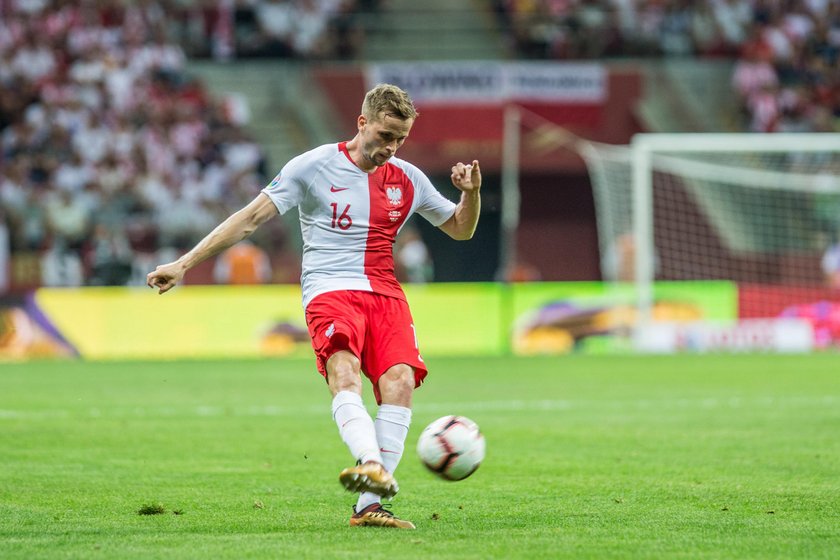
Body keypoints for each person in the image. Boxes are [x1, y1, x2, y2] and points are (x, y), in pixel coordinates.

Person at [146, 84, 481, 529]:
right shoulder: (313, 166)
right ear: (362, 123)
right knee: (345, 373)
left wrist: (471, 194)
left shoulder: (408, 178)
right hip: (329, 289)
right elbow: (249, 219)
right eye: (384, 135)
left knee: (400, 382)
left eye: (400, 139)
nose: (391, 147)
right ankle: (371, 462)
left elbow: (460, 229)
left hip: (385, 292)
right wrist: (184, 263)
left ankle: (369, 506)